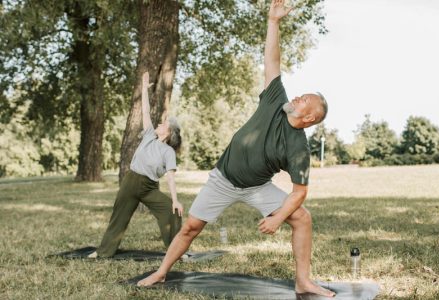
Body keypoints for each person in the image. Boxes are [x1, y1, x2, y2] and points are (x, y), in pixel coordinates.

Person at [137, 0, 334, 297]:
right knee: (191, 227)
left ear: (309, 118)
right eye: (301, 94)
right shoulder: (275, 100)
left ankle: (303, 280)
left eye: (305, 99)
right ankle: (161, 272)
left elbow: (299, 192)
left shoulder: (298, 148)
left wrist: (278, 217)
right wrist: (273, 22)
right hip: (223, 179)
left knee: (302, 217)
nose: (297, 97)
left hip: (257, 187)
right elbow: (272, 62)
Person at [88, 71, 183, 258]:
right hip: (131, 182)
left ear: (168, 132)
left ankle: (176, 252)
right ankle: (103, 252)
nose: (159, 124)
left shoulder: (168, 152)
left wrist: (175, 200)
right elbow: (146, 111)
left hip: (149, 187)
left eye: (163, 124)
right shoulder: (149, 135)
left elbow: (170, 178)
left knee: (172, 211)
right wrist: (144, 88)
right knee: (119, 217)